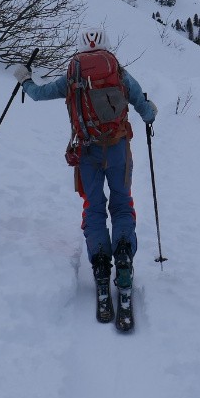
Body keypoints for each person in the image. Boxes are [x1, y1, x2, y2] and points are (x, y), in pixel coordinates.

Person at [13, 28, 157, 303]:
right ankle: (124, 255)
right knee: (121, 202)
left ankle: (101, 263)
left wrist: (25, 79)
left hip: (87, 150)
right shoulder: (119, 72)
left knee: (93, 205)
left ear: (80, 48)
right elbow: (144, 107)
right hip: (118, 148)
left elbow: (39, 94)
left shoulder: (72, 76)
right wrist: (151, 112)